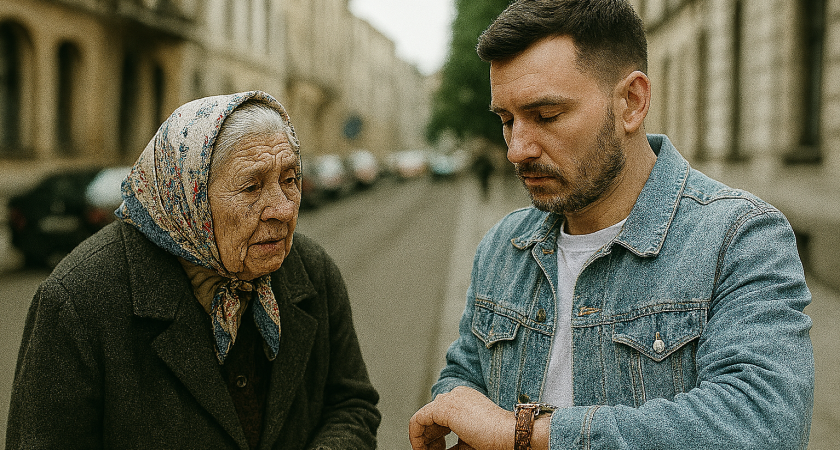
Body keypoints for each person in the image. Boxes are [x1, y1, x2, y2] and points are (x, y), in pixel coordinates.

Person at [409, 1, 814, 449]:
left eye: (546, 116)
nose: (517, 149)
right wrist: (452, 401)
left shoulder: (738, 236)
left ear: (631, 102)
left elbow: (762, 424)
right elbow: (466, 375)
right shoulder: (504, 245)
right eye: (507, 121)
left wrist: (520, 434)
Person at [6, 91, 380, 449]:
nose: (282, 209)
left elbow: (351, 404)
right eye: (251, 187)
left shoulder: (310, 270)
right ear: (188, 196)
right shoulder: (78, 301)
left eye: (290, 180)